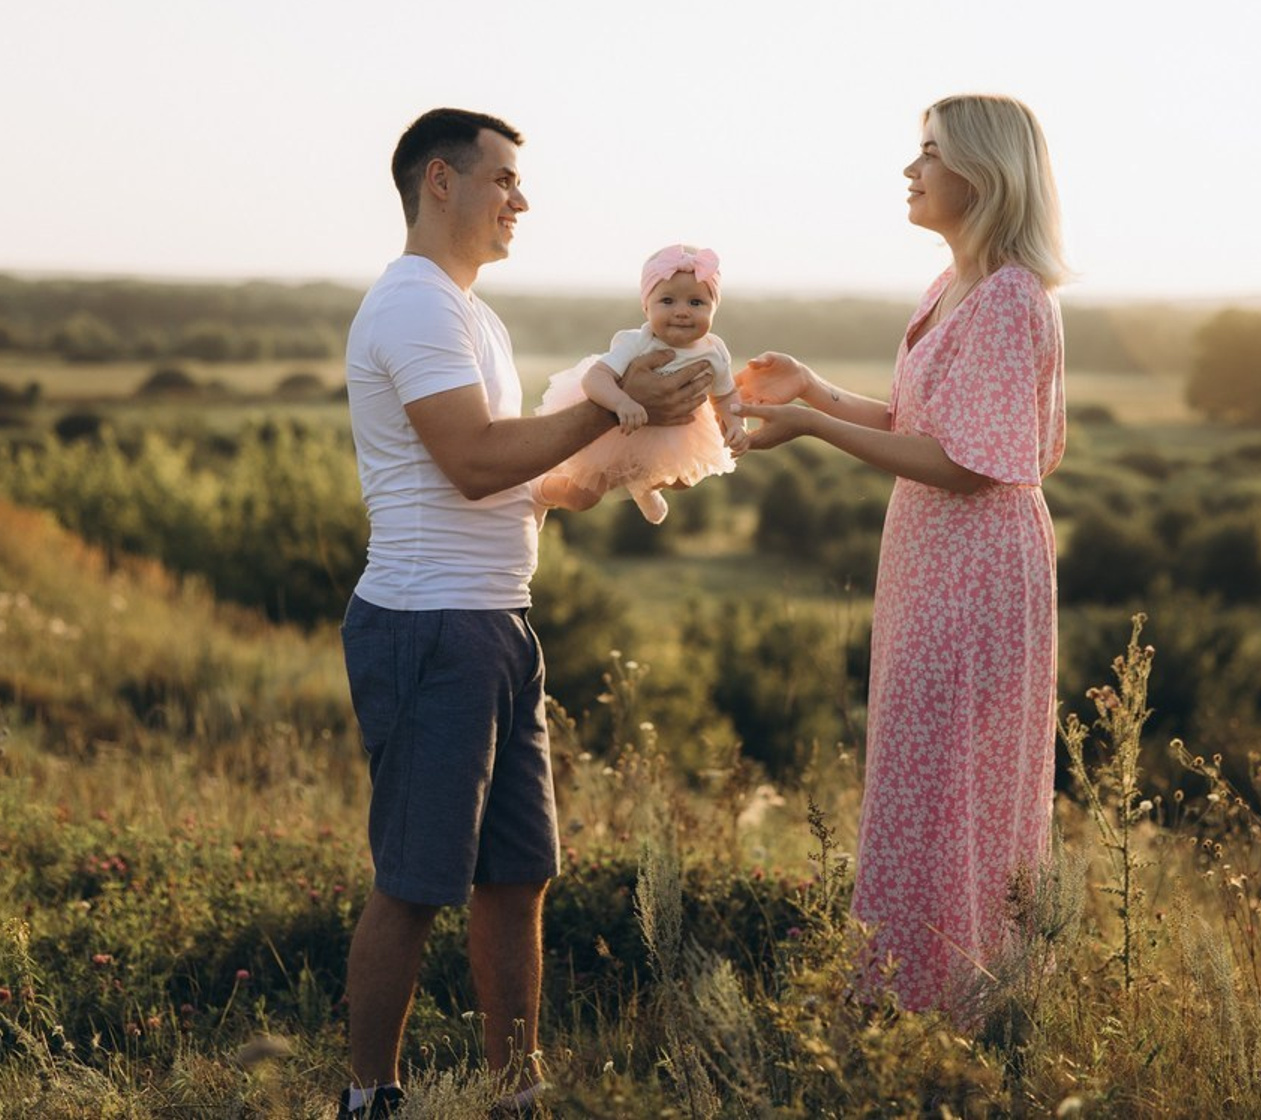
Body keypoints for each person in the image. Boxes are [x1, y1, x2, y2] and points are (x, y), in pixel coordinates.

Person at [338, 108, 713, 1119]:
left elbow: (496, 472)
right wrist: (613, 406)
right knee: (416, 879)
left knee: (518, 873)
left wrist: (569, 481)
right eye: (502, 177)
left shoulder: (472, 315)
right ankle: (368, 1096)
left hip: (498, 619)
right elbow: (465, 463)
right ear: (438, 181)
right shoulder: (413, 306)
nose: (520, 198)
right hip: (428, 623)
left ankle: (517, 1091)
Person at [734, 93, 1067, 1014]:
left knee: (952, 791)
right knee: (923, 787)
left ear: (984, 174)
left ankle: (946, 1008)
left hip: (977, 570)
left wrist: (806, 426)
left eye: (929, 153)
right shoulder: (950, 286)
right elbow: (916, 425)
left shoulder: (1007, 299)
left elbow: (966, 465)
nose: (910, 170)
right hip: (931, 564)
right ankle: (912, 1005)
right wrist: (815, 392)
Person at [533, 243, 748, 524]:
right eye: (667, 301)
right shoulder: (637, 341)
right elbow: (595, 378)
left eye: (696, 302)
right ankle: (538, 487)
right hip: (618, 425)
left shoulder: (714, 350)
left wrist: (735, 425)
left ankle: (643, 485)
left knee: (686, 478)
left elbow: (726, 394)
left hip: (674, 429)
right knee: (582, 496)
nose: (682, 311)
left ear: (714, 308)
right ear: (646, 306)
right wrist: (622, 402)